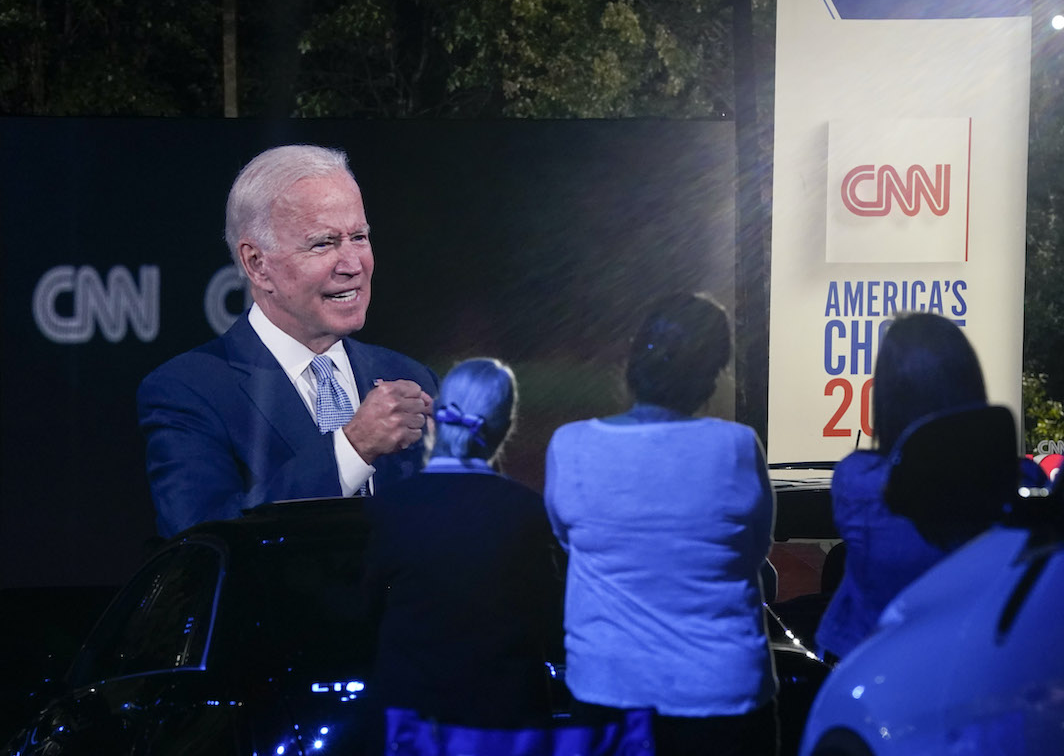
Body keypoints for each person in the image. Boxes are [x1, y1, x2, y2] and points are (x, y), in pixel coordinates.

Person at [137, 145, 437, 537]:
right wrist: (351, 449)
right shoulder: (189, 391)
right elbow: (199, 540)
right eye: (323, 243)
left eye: (359, 237)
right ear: (257, 265)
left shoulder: (410, 377)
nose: (352, 265)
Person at [544, 293, 778, 756]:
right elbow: (754, 552)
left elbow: (567, 544)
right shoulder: (736, 447)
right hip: (723, 694)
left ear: (635, 357)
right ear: (713, 370)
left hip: (610, 691)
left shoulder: (570, 446)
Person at [364, 358, 562, 730]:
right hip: (504, 724)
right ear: (505, 426)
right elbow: (549, 620)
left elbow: (366, 612)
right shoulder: (527, 513)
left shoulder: (389, 509)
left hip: (411, 725)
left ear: (436, 415)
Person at [815, 312, 987, 663]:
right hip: (972, 674)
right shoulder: (1019, 483)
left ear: (889, 396)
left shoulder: (858, 481)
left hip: (872, 676)